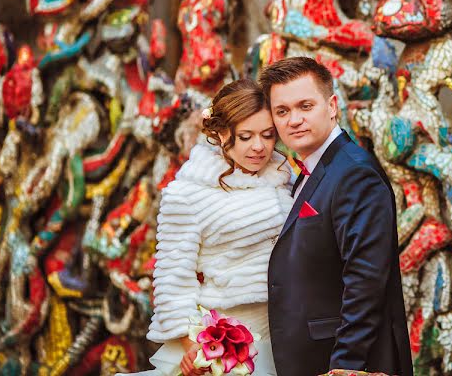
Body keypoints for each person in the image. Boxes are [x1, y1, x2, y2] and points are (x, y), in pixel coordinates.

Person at [261, 57, 413, 376]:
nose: (294, 120)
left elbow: (365, 279)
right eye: (282, 111)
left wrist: (345, 364)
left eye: (305, 106)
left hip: (346, 362)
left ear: (331, 106)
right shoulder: (307, 170)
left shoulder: (355, 173)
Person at [131, 79, 294, 376]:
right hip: (228, 342)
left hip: (287, 333)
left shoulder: (284, 177)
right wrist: (189, 341)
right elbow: (172, 275)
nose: (259, 147)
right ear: (220, 133)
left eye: (268, 135)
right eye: (245, 137)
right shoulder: (187, 194)